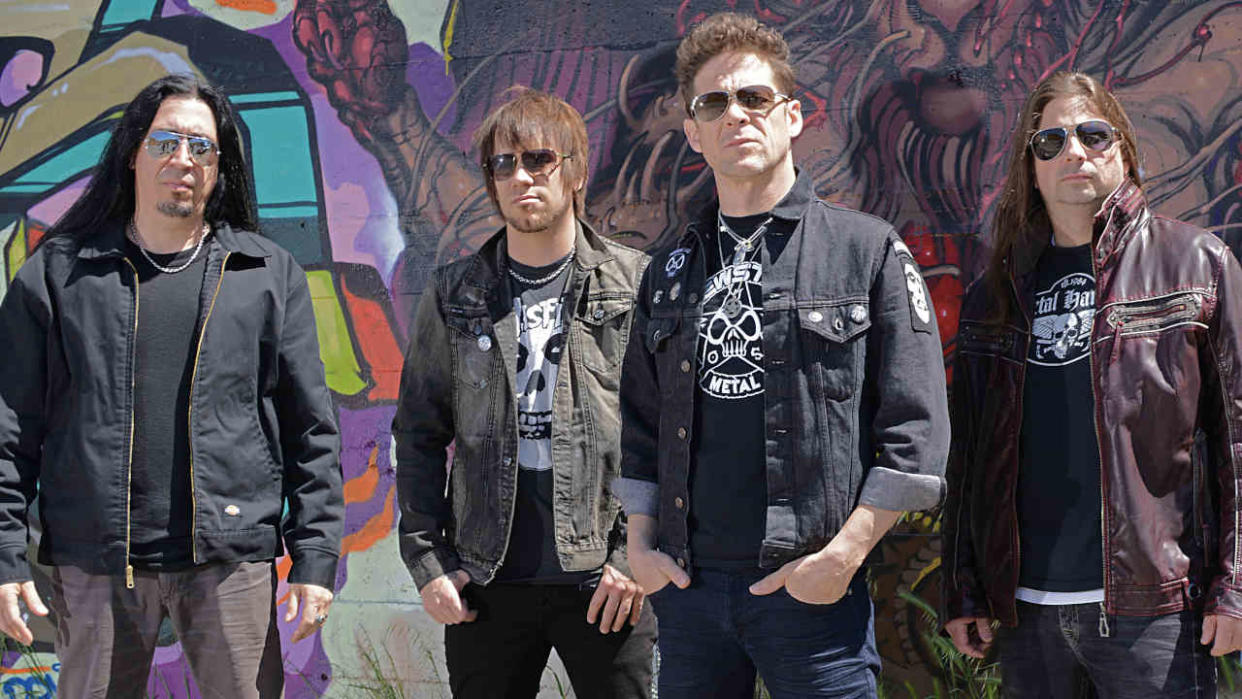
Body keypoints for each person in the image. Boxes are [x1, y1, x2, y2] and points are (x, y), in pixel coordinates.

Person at [613, 13, 949, 697]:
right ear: (693, 134)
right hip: (690, 594)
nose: (735, 114)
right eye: (714, 103)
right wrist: (640, 546)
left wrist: (845, 555)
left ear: (792, 115)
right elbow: (641, 424)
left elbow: (917, 430)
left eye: (754, 97)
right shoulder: (669, 269)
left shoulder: (866, 251)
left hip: (812, 597)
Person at [0, 74, 343, 697]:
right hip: (96, 561)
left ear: (220, 165)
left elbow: (311, 430)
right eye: (165, 142)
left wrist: (315, 559)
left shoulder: (266, 274)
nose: (182, 159)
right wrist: (2, 556)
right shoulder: (59, 275)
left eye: (201, 146)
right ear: (133, 153)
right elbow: (9, 425)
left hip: (231, 561)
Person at [942, 71, 1242, 697]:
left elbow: (1237, 436)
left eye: (1092, 134)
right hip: (1026, 617)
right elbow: (968, 459)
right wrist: (966, 586)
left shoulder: (1196, 263)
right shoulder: (995, 297)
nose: (1072, 151)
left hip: (1154, 610)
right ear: (1030, 167)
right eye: (1049, 141)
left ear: (1123, 150)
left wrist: (1234, 585)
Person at [392, 87, 655, 699]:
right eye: (503, 165)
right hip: (486, 578)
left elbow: (667, 431)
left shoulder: (633, 283)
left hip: (604, 580)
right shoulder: (455, 292)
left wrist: (633, 555)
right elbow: (419, 433)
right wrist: (430, 562)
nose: (521, 177)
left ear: (576, 170)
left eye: (538, 159)